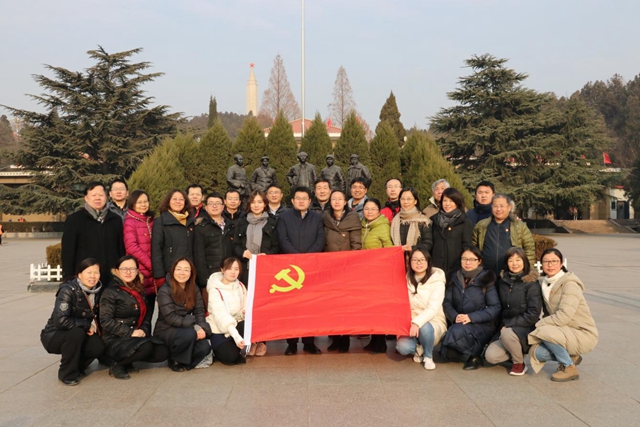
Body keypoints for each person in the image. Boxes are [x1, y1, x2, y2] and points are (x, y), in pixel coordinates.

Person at [528, 249, 598, 382]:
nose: (550, 265)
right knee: (538, 353)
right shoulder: (545, 283)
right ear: (541, 264)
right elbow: (548, 314)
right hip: (563, 330)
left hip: (581, 332)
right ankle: (571, 355)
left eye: (554, 261)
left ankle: (569, 366)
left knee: (544, 331)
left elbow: (564, 315)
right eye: (546, 261)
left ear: (561, 264)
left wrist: (538, 325)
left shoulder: (570, 284)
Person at [100, 256, 169, 380]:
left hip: (135, 336)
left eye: (132, 269)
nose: (128, 272)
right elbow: (105, 321)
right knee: (146, 347)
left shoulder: (139, 289)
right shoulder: (110, 291)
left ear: (137, 271)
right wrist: (131, 332)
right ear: (117, 271)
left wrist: (143, 330)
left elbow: (147, 314)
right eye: (124, 269)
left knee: (162, 351)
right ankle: (118, 364)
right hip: (115, 338)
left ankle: (129, 359)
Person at [40, 258, 105, 386]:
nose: (92, 276)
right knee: (76, 333)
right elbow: (60, 321)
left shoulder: (97, 291)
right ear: (79, 274)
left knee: (97, 346)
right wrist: (86, 325)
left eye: (96, 273)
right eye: (89, 272)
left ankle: (77, 366)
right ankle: (66, 374)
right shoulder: (68, 290)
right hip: (54, 335)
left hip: (78, 331)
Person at [277, 186, 326, 355]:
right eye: (298, 198)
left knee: (310, 307)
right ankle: (291, 343)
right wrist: (296, 258)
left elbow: (320, 239)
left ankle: (309, 342)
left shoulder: (317, 218)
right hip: (290, 268)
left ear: (310, 201)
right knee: (291, 308)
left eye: (304, 198)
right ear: (292, 201)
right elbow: (282, 239)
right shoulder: (284, 217)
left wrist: (307, 258)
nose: (301, 201)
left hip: (311, 267)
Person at [440, 246, 500, 370]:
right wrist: (455, 316)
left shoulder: (487, 279)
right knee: (448, 354)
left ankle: (477, 353)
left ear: (479, 261)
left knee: (456, 335)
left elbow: (495, 307)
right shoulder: (454, 277)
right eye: (464, 259)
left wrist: (471, 317)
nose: (468, 262)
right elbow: (447, 302)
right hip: (459, 322)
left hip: (482, 323)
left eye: (472, 259)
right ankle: (471, 350)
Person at [484, 248, 542, 376]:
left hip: (526, 327)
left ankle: (519, 363)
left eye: (518, 260)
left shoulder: (531, 283)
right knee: (491, 356)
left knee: (507, 333)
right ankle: (515, 350)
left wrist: (509, 325)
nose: (514, 263)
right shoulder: (502, 281)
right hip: (505, 328)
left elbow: (534, 313)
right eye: (510, 260)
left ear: (524, 261)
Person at [154, 258, 213, 371]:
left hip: (186, 327)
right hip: (166, 329)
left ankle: (184, 362)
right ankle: (175, 359)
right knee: (189, 334)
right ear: (173, 271)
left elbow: (199, 311)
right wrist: (195, 325)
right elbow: (171, 318)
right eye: (178, 269)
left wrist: (202, 327)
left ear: (191, 273)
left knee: (204, 347)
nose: (182, 273)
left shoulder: (194, 288)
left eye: (186, 270)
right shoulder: (164, 290)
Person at [62, 182, 125, 284]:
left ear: (106, 197)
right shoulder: (74, 220)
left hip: (111, 277)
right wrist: (69, 278)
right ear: (86, 198)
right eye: (93, 195)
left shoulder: (115, 219)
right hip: (86, 277)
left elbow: (121, 249)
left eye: (101, 195)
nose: (97, 198)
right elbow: (68, 252)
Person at [323, 189, 362, 353]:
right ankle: (334, 338)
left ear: (346, 202)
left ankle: (345, 338)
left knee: (345, 304)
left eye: (340, 199)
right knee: (331, 304)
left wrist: (351, 264)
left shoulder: (353, 218)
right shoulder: (325, 217)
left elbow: (356, 244)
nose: (337, 201)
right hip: (329, 266)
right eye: (334, 199)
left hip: (346, 267)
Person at [396, 249, 447, 370]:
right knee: (402, 347)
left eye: (422, 260)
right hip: (410, 322)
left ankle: (428, 356)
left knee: (424, 327)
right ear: (410, 262)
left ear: (428, 262)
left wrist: (417, 323)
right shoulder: (406, 279)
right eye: (415, 260)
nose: (418, 263)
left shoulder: (437, 281)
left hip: (433, 321)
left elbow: (433, 308)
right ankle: (419, 349)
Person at [472, 193, 535, 276]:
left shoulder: (519, 226)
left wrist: (527, 271)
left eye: (502, 206)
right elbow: (474, 248)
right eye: (495, 206)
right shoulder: (481, 226)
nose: (498, 209)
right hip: (486, 274)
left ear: (509, 207)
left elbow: (529, 249)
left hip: (511, 274)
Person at [193, 192, 233, 306]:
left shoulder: (231, 226)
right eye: (211, 203)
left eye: (217, 203)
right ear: (205, 207)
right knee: (212, 310)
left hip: (228, 275)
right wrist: (204, 280)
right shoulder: (201, 227)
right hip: (210, 276)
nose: (214, 206)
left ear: (223, 206)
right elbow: (199, 255)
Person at [206, 257, 248, 365]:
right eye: (229, 268)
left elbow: (245, 305)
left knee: (247, 324)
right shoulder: (215, 290)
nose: (233, 272)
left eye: (236, 269)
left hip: (236, 325)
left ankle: (235, 347)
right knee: (230, 358)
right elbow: (222, 317)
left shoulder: (240, 286)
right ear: (222, 269)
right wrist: (237, 337)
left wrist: (244, 312)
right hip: (220, 329)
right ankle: (216, 348)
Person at [152, 189, 195, 288]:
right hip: (170, 271)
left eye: (181, 199)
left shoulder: (191, 221)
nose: (178, 202)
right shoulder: (160, 221)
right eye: (174, 199)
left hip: (189, 271)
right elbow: (156, 249)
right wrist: (159, 275)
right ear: (168, 201)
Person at [123, 190, 156, 314]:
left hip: (153, 274)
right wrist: (151, 265)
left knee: (151, 309)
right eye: (139, 202)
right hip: (140, 271)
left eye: (145, 201)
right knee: (141, 310)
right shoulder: (130, 222)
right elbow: (131, 247)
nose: (143, 204)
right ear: (133, 204)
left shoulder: (151, 220)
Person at [429, 188, 474, 275]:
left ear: (457, 202)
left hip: (456, 268)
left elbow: (467, 245)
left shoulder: (464, 221)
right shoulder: (434, 220)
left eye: (451, 201)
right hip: (436, 267)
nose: (447, 204)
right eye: (445, 200)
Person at [390, 187, 432, 253]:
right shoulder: (395, 220)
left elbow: (428, 244)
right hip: (398, 256)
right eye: (402, 199)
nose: (405, 202)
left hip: (416, 257)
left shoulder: (423, 221)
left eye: (409, 199)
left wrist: (412, 248)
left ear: (415, 201)